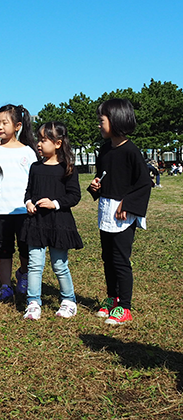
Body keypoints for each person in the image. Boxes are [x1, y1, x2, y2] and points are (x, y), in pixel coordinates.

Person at [88, 98, 151, 325]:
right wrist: (96, 186)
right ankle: (112, 299)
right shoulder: (104, 150)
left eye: (101, 120)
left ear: (115, 121)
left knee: (120, 260)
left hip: (123, 215)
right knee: (107, 258)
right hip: (106, 210)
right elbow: (104, 179)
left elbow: (144, 184)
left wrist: (128, 204)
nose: (99, 125)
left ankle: (125, 306)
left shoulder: (131, 151)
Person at [20, 122, 82, 320]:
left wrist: (54, 203)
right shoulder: (35, 167)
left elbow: (74, 196)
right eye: (38, 139)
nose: (39, 144)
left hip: (59, 223)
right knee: (34, 265)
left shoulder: (67, 168)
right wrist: (28, 202)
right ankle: (33, 302)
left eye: (43, 140)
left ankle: (68, 300)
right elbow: (28, 191)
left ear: (57, 143)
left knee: (59, 264)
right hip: (36, 223)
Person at [0, 104, 38, 302]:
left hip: (23, 209)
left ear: (17, 126)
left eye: (5, 123)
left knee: (26, 247)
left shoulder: (27, 152)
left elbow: (35, 180)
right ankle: (5, 286)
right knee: (3, 248)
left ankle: (24, 276)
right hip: (0, 209)